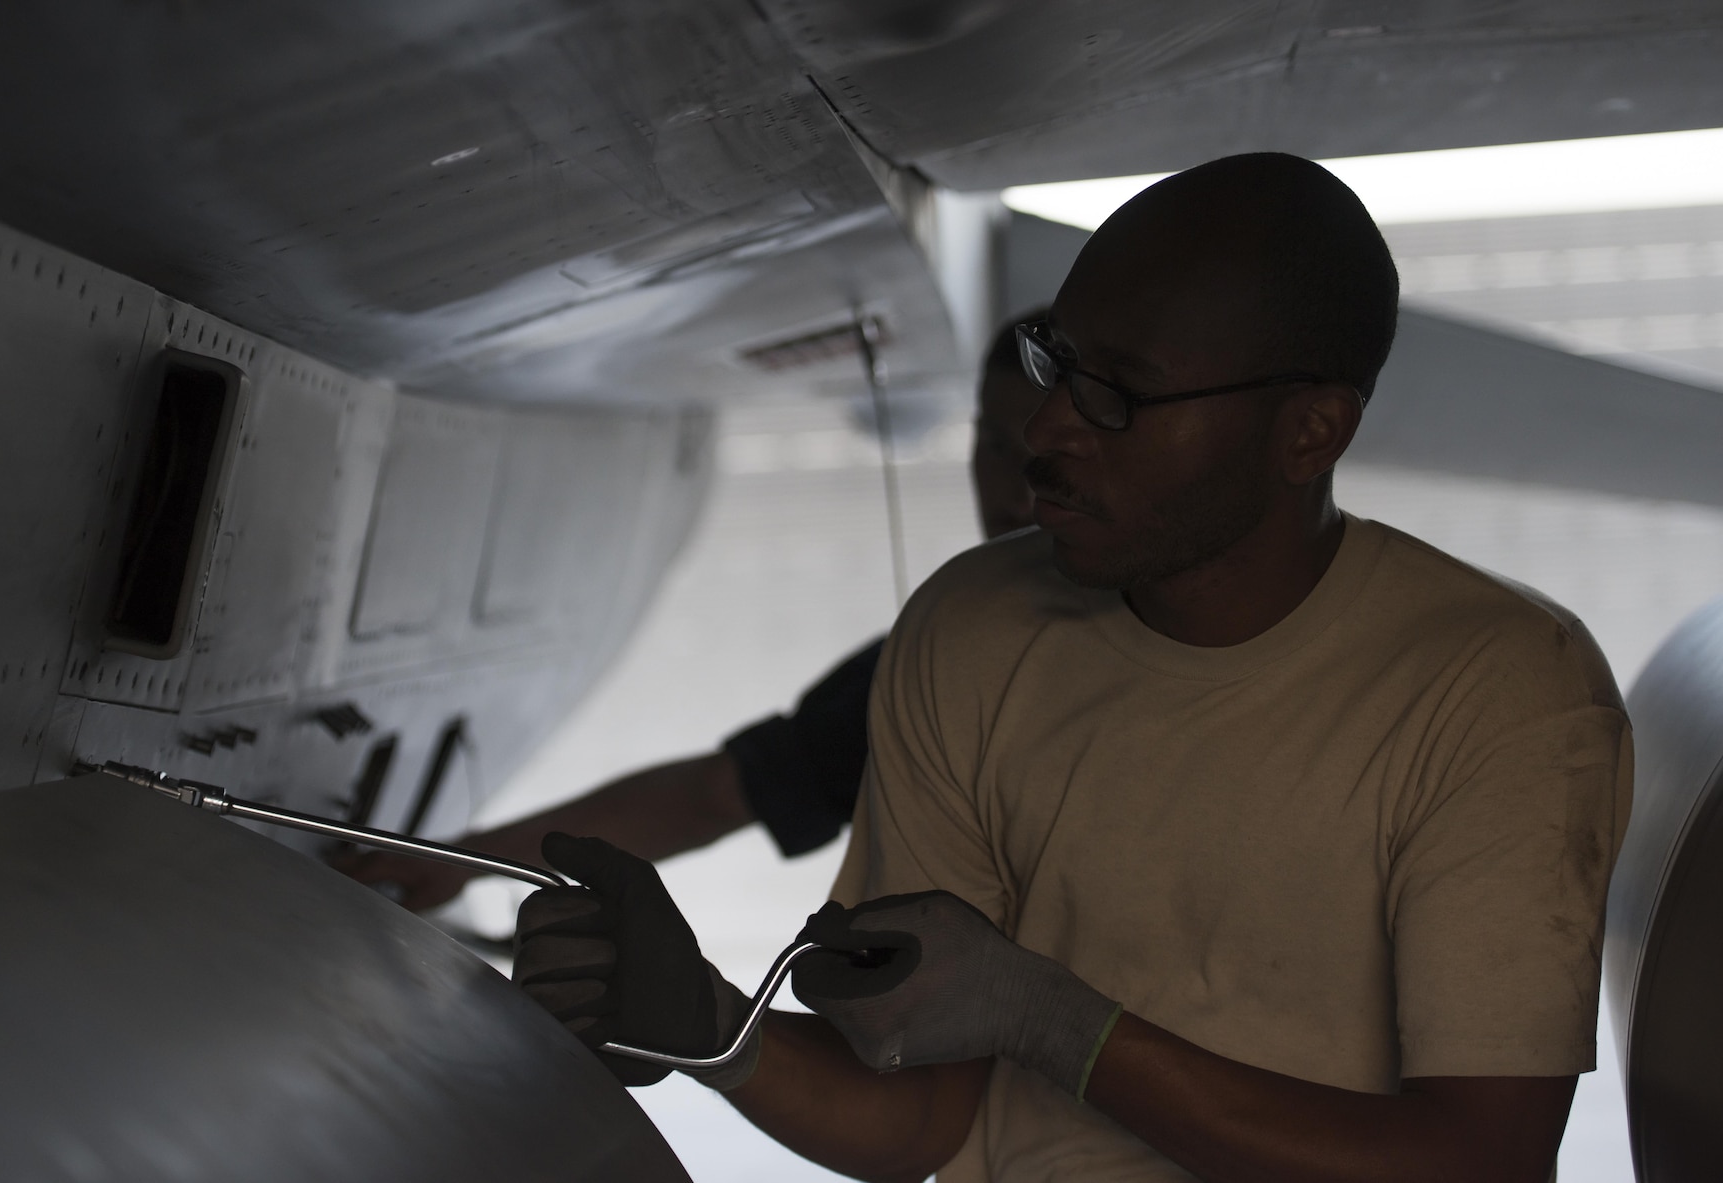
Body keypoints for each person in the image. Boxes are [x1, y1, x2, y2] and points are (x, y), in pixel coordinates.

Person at [511, 153, 1631, 1182]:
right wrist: (710, 1026)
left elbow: (1476, 1165)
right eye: (1059, 363)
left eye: (1119, 395)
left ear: (1308, 433)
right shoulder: (973, 628)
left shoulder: (1498, 690)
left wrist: (1056, 1023)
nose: (1045, 430)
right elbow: (922, 1119)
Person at [333, 323, 1047, 910]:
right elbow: (716, 795)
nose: (1015, 498)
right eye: (995, 450)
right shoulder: (939, 668)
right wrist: (467, 860)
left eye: (1047, 463)